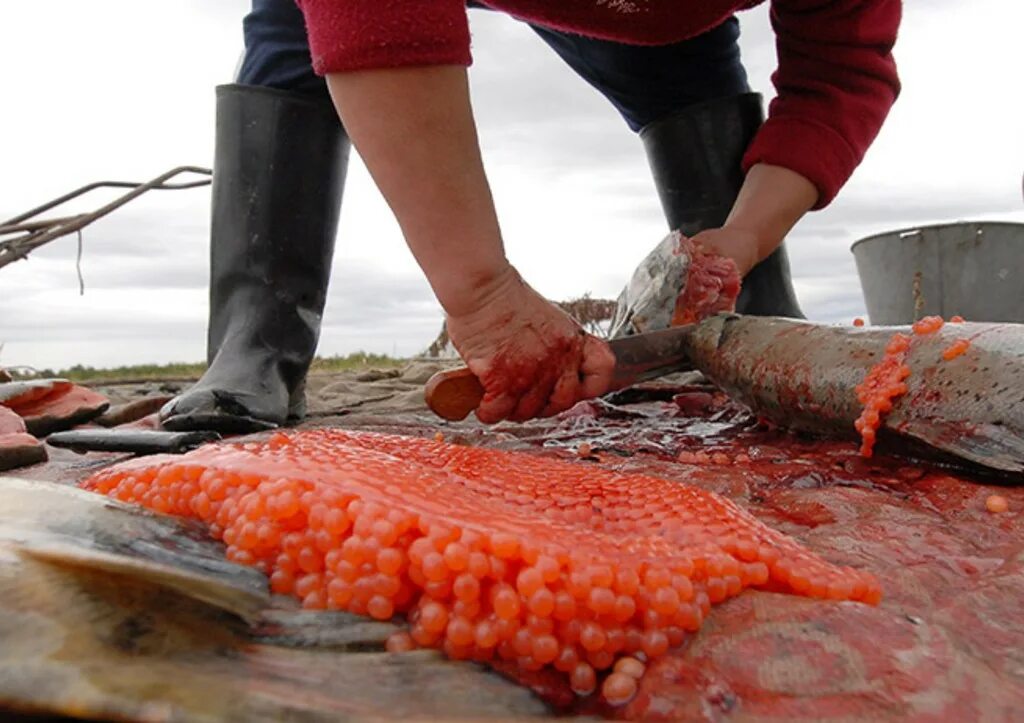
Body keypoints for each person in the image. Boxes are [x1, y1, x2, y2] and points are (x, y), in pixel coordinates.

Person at [161, 0, 901, 432]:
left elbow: (839, 74)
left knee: (749, 310)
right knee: (294, 31)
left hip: (671, 24)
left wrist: (741, 240)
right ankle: (256, 343)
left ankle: (746, 331)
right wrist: (479, 290)